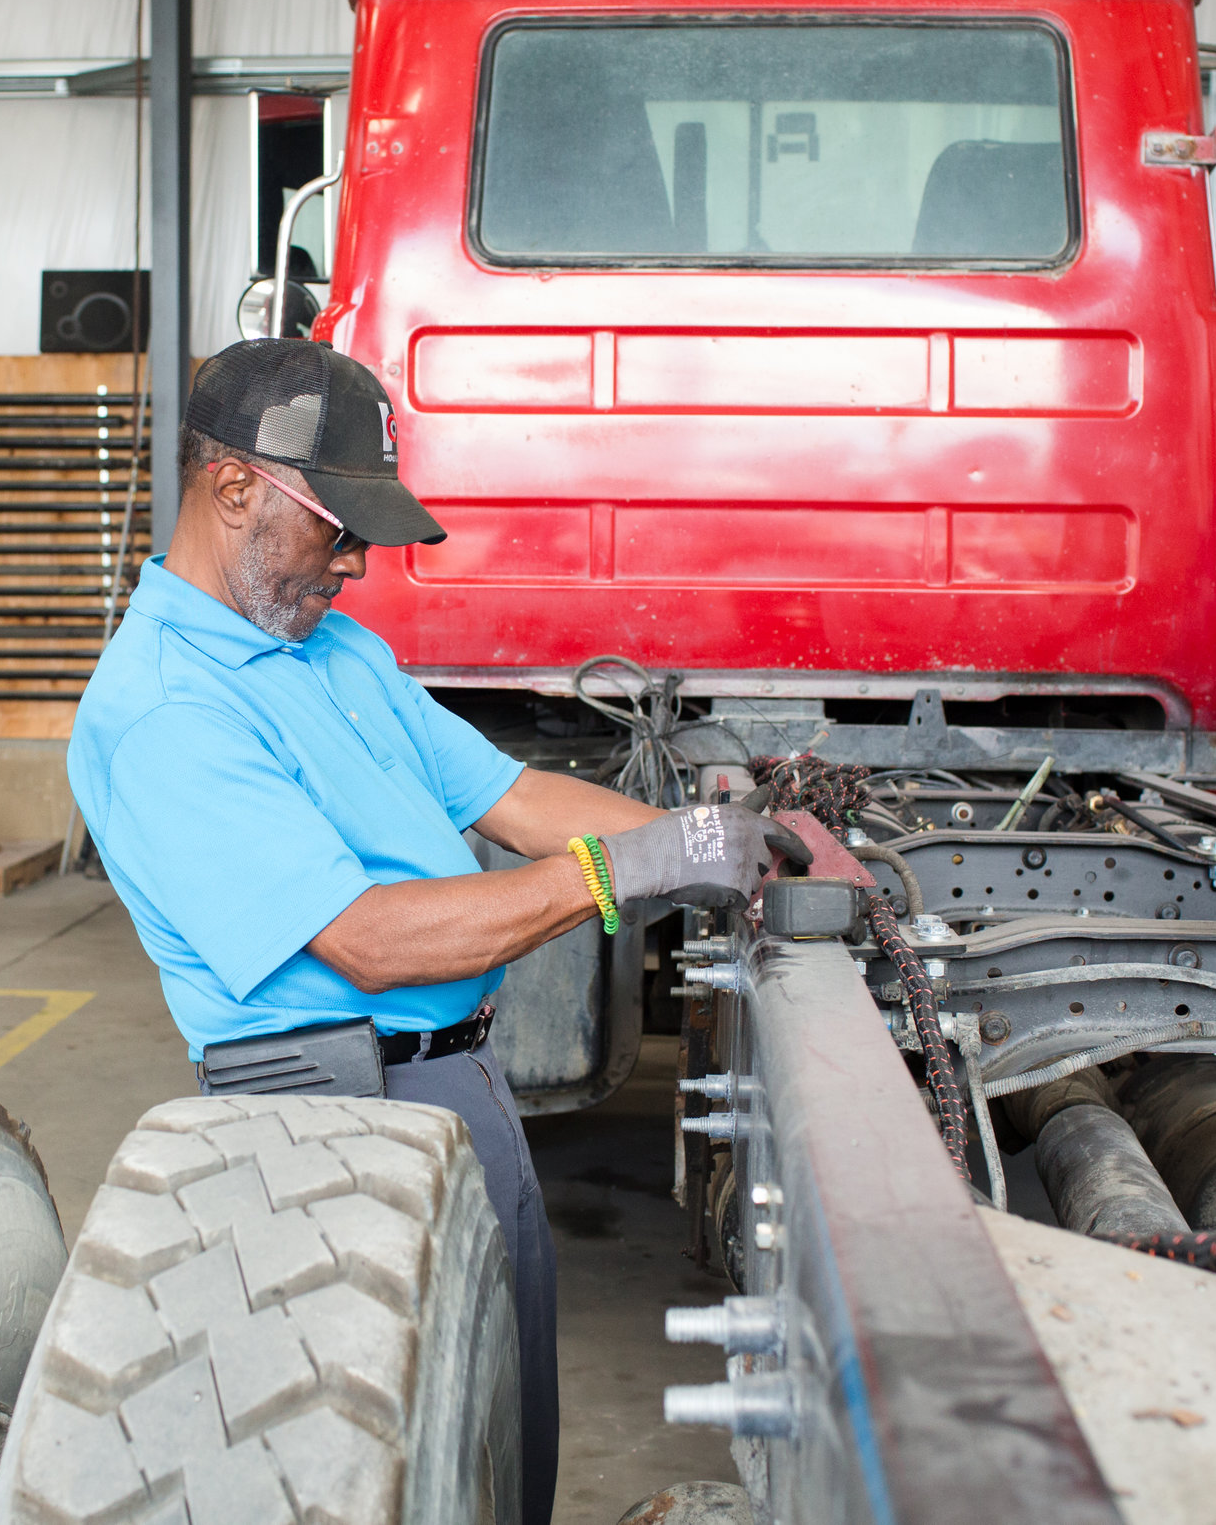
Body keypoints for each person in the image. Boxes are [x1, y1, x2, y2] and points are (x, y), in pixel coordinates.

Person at [67, 338, 795, 1525]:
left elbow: (516, 800)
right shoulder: (162, 709)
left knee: (503, 1441)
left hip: (460, 1087)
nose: (353, 565)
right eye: (335, 527)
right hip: (319, 1132)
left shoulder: (335, 652)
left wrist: (721, 842)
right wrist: (634, 869)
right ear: (233, 486)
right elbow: (369, 940)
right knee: (387, 1467)